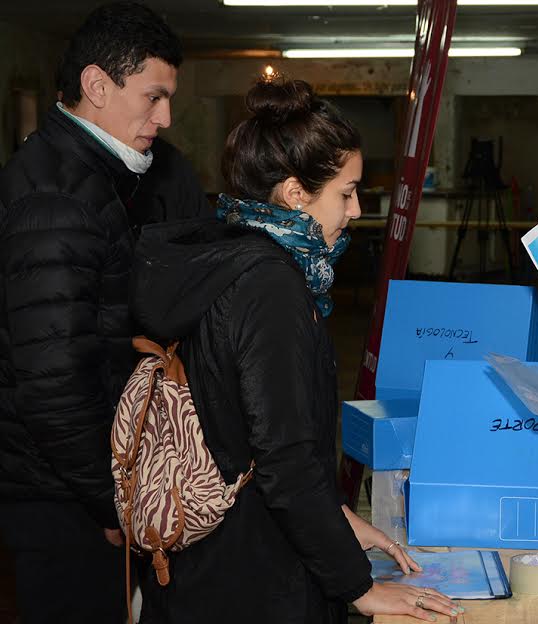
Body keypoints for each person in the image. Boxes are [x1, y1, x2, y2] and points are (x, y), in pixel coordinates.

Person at [131, 79, 461, 623]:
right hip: (253, 579)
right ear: (294, 194)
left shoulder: (230, 255)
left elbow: (253, 432)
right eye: (346, 192)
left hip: (217, 564)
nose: (355, 210)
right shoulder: (271, 286)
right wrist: (358, 587)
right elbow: (284, 459)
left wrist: (337, 517)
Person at [0, 3, 184, 622]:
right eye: (153, 97)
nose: (165, 117)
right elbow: (54, 386)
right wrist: (111, 505)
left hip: (63, 483)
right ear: (97, 85)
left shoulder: (83, 177)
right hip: (59, 494)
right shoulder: (59, 198)